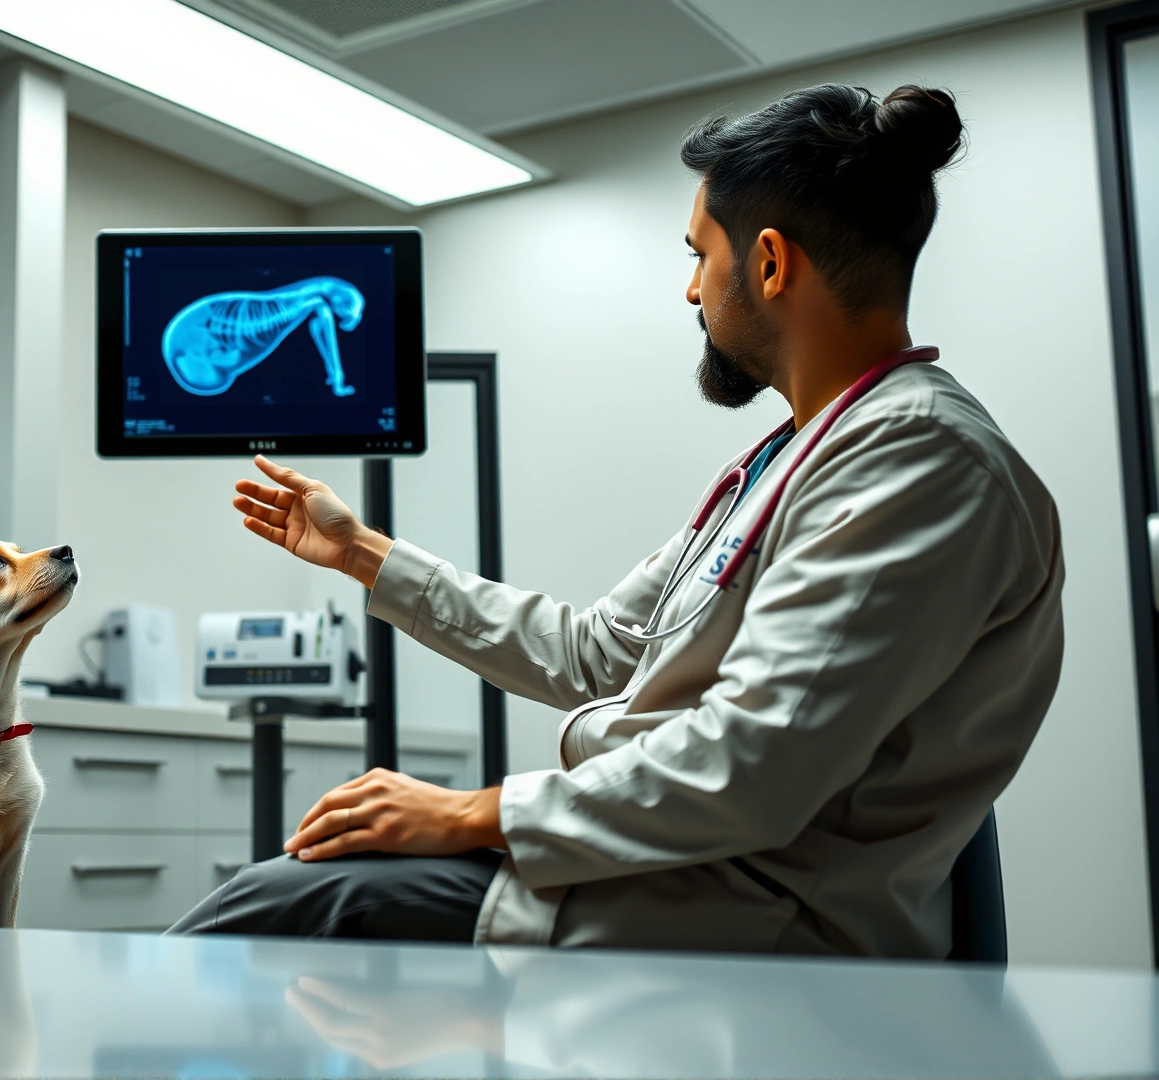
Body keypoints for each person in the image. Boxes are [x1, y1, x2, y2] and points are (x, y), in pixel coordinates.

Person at [167, 83, 1066, 958]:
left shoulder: (916, 461)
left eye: (696, 256)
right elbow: (597, 651)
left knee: (281, 904)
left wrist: (467, 813)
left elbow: (752, 765)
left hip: (744, 916)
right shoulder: (798, 455)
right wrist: (363, 553)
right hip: (670, 870)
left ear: (768, 263)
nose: (690, 294)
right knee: (294, 898)